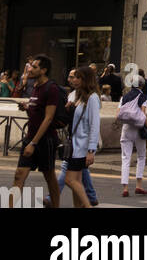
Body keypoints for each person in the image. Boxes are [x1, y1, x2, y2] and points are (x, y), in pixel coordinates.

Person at [10, 55, 62, 208]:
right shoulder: (35, 87)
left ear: (44, 70)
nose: (30, 69)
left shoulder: (51, 88)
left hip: (45, 140)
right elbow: (35, 115)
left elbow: (48, 118)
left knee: (49, 176)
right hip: (30, 138)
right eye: (30, 66)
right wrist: (28, 108)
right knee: (19, 175)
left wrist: (33, 143)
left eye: (34, 67)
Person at [58, 68, 99, 207]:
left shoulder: (92, 98)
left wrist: (91, 150)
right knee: (77, 180)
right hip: (74, 144)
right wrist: (67, 109)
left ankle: (87, 205)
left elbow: (94, 125)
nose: (74, 80)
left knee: (70, 180)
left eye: (78, 77)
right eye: (74, 77)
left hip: (82, 146)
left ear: (85, 80)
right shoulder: (77, 96)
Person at [118, 73, 147, 198]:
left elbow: (118, 114)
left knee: (125, 158)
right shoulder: (143, 97)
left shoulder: (124, 97)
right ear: (142, 85)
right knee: (141, 156)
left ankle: (125, 188)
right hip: (138, 129)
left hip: (126, 129)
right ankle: (138, 185)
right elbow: (143, 115)